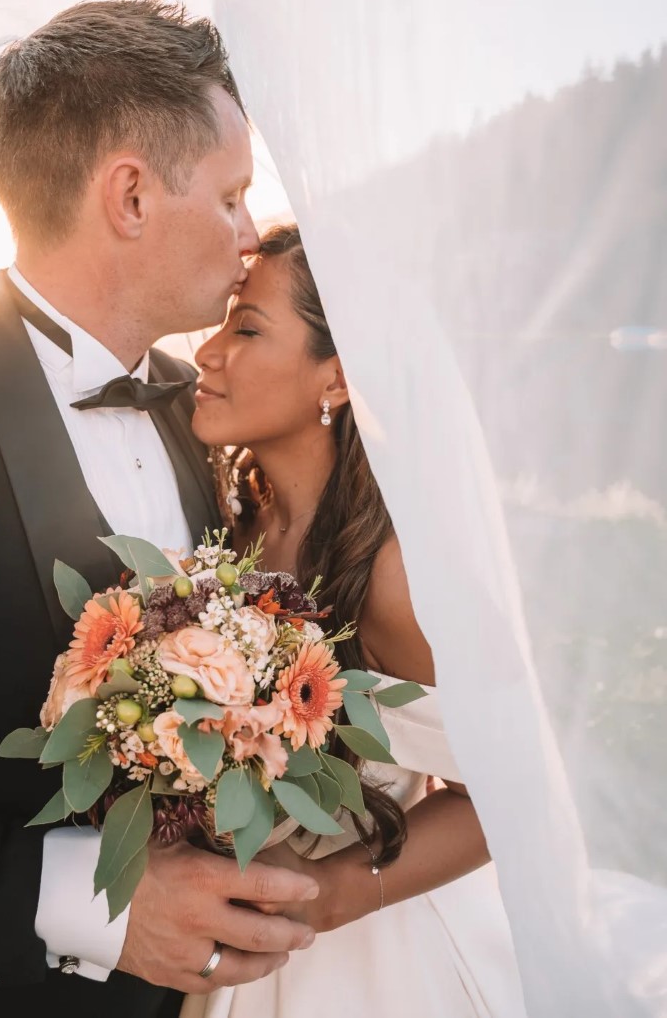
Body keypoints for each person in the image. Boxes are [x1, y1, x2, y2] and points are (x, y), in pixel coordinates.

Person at [0, 0, 320, 1018]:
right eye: (234, 195)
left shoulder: (203, 415)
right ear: (132, 196)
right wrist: (97, 906)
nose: (251, 236)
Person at [186, 223, 529, 1017]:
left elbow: (508, 792)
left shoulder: (392, 574)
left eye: (246, 328)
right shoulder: (230, 530)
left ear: (335, 377)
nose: (207, 352)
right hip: (232, 955)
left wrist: (341, 892)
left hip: (369, 967)